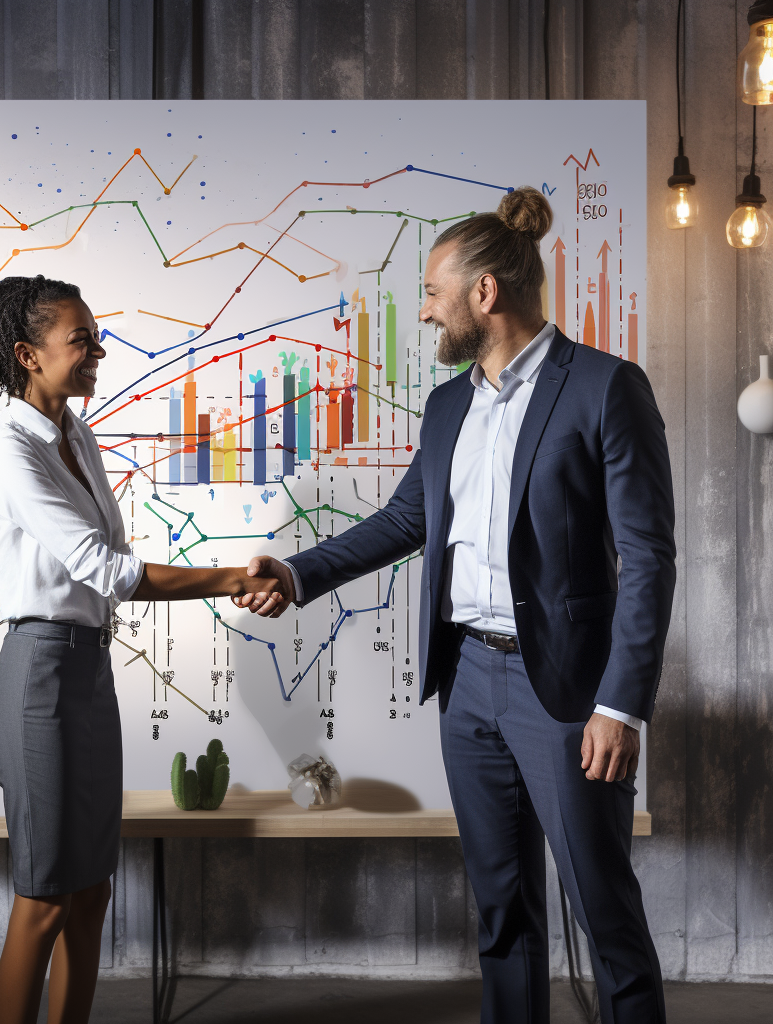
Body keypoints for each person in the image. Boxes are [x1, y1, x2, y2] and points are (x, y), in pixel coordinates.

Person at [237, 187, 675, 1024]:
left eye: (434, 293)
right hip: (467, 684)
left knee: (605, 919)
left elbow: (649, 558)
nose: (426, 312)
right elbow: (408, 519)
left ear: (485, 294)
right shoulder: (447, 406)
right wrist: (294, 575)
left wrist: (620, 704)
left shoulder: (606, 388)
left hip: (570, 697)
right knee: (501, 915)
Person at [0, 275, 284, 1024]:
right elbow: (105, 568)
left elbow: (111, 553)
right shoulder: (11, 450)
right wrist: (231, 576)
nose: (98, 350)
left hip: (88, 670)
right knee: (42, 898)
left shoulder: (75, 434)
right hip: (39, 675)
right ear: (26, 355)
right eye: (81, 339)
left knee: (92, 889)